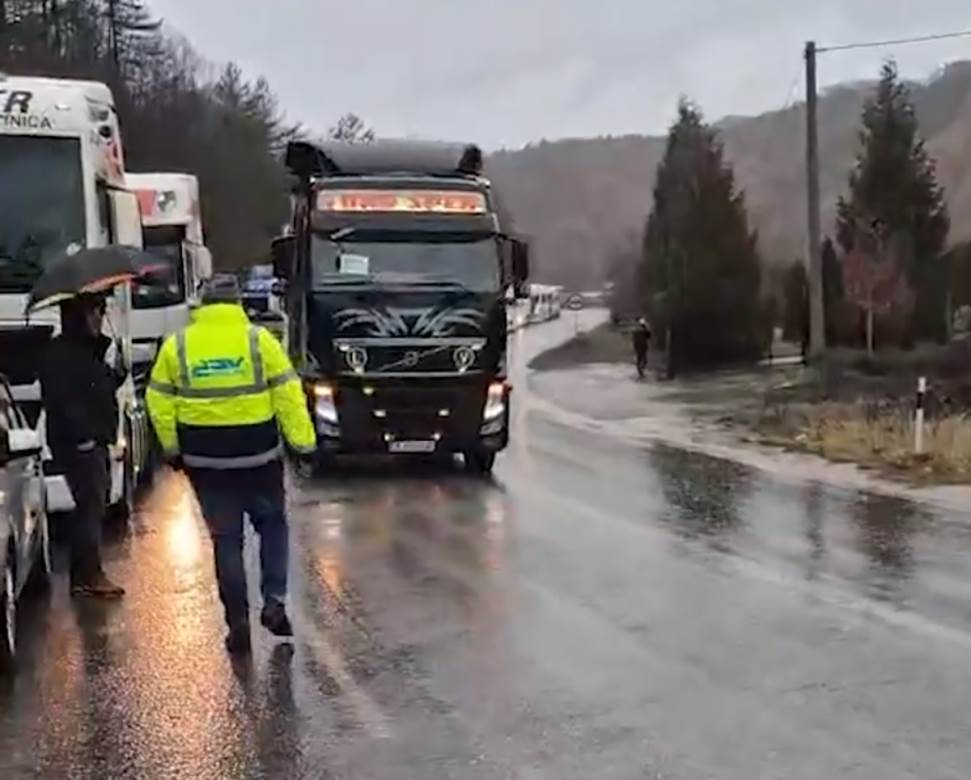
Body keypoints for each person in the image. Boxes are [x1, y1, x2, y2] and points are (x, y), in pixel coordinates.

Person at [146, 274, 316, 654]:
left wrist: (173, 448)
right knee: (272, 526)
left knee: (226, 539)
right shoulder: (260, 341)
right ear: (238, 303)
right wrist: (303, 443)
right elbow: (288, 394)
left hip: (205, 459)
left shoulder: (179, 345)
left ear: (202, 305)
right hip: (259, 454)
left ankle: (237, 621)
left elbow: (158, 401)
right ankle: (273, 601)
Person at [39, 293, 126, 598]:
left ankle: (83, 575)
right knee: (90, 506)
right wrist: (84, 436)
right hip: (78, 442)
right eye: (95, 311)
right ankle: (91, 574)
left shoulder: (87, 350)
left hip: (94, 437)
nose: (100, 317)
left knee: (94, 503)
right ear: (79, 315)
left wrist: (116, 374)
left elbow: (96, 387)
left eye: (101, 311)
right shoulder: (61, 353)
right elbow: (63, 400)